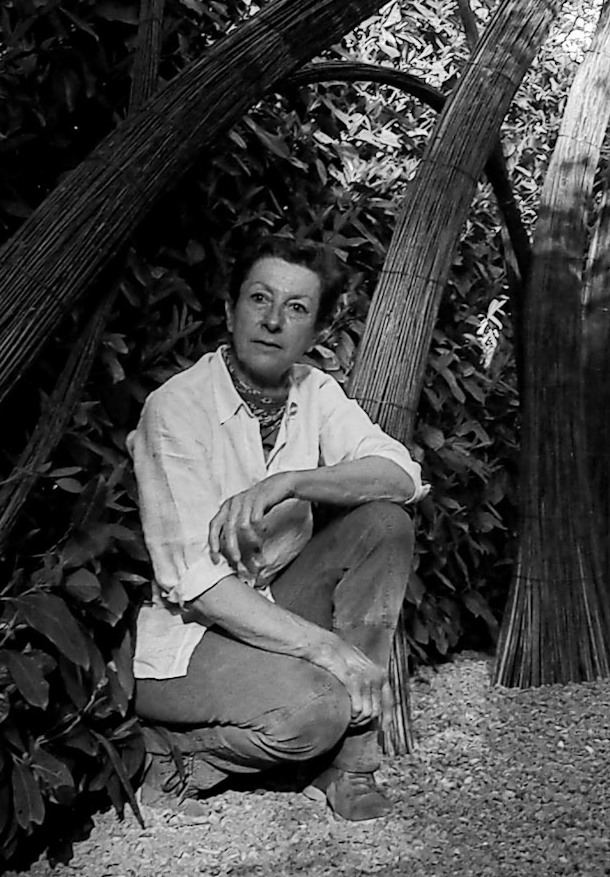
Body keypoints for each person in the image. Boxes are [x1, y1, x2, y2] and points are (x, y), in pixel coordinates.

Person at [128, 234, 424, 821]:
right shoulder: (176, 407)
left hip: (277, 604)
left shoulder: (315, 391)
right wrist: (330, 650)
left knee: (385, 524)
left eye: (296, 308)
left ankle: (351, 767)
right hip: (191, 638)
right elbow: (198, 585)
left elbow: (400, 475)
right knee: (314, 712)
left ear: (315, 331)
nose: (272, 321)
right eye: (259, 298)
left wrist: (290, 482)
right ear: (230, 309)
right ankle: (176, 753)